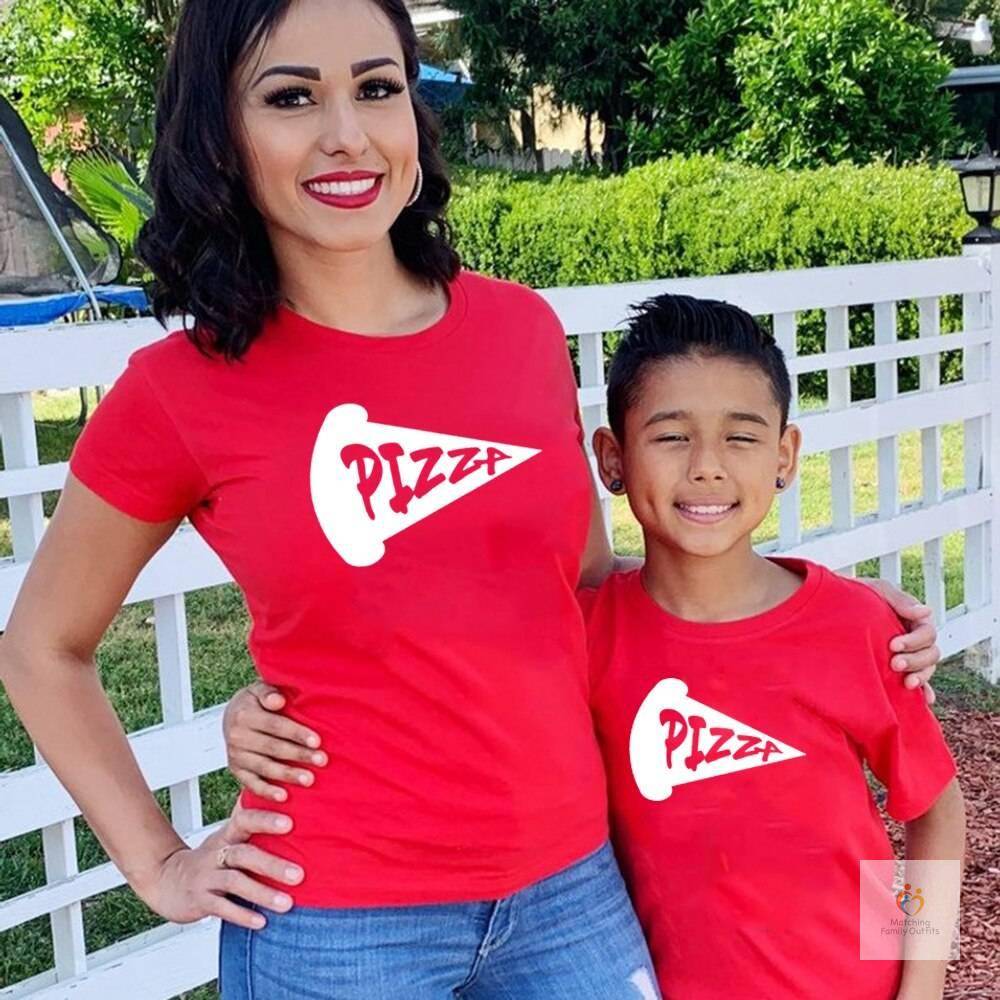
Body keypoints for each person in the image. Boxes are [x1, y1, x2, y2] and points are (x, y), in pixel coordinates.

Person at [0, 0, 938, 997]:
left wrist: (817, 607)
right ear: (219, 133)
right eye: (289, 97)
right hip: (337, 921)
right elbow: (41, 647)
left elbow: (577, 592)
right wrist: (160, 862)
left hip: (569, 890)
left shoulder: (519, 330)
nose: (345, 133)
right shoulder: (181, 390)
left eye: (376, 88)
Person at [580, 294, 964, 999]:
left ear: (785, 457)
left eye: (742, 436)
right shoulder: (585, 638)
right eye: (670, 436)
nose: (706, 467)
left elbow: (933, 809)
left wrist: (920, 984)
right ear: (613, 457)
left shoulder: (857, 626)